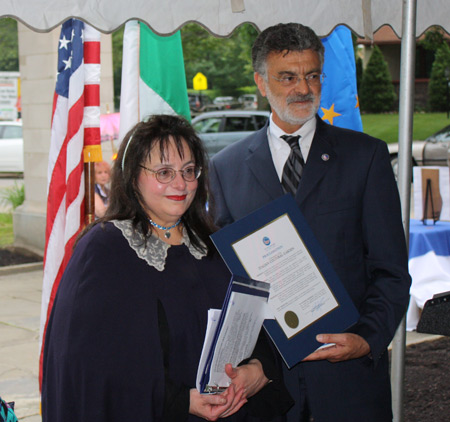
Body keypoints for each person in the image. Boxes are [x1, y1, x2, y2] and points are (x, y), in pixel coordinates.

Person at [209, 23, 411, 422]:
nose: (303, 88)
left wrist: (366, 339)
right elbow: (221, 279)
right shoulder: (225, 169)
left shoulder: (366, 158)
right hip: (263, 387)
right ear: (261, 83)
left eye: (312, 75)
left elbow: (391, 271)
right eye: (287, 77)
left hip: (348, 384)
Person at [42, 115, 292, 422]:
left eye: (189, 171)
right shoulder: (105, 249)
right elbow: (87, 365)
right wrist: (177, 401)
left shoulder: (211, 245)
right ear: (133, 176)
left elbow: (253, 326)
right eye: (164, 172)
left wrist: (259, 370)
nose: (180, 184)